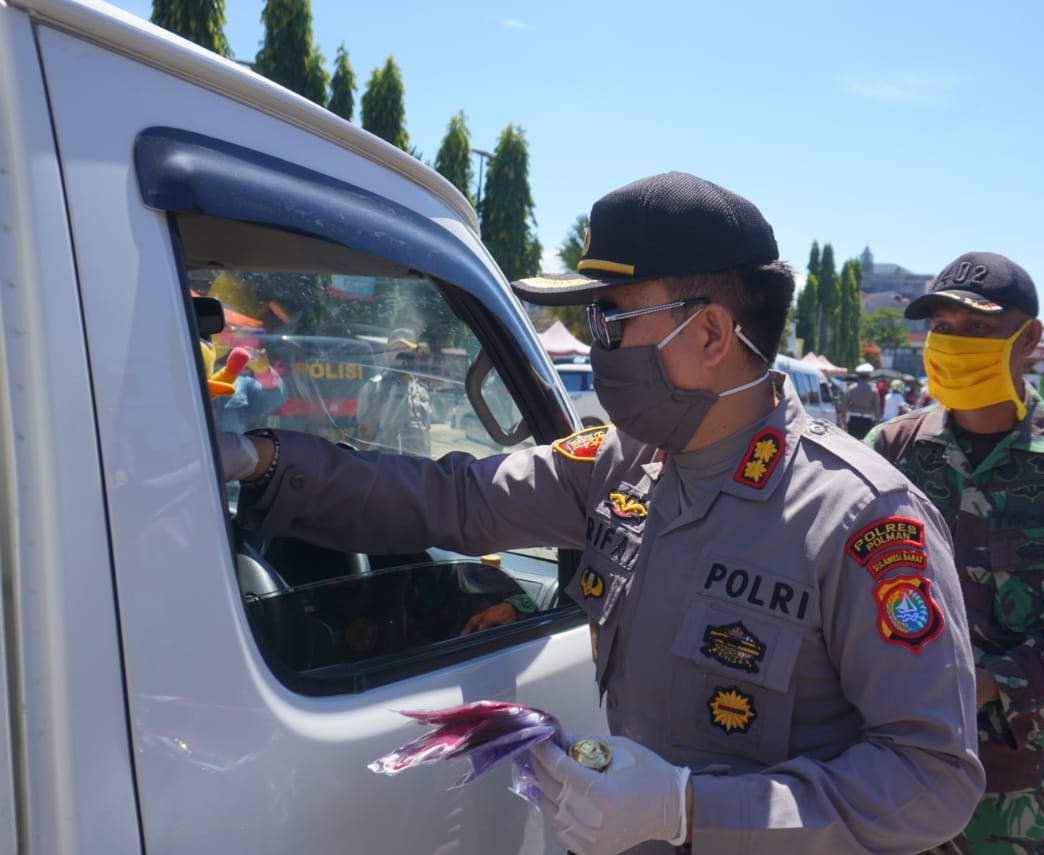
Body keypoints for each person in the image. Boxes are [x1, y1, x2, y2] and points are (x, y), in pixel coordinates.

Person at [220, 172, 984, 854]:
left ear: (712, 332)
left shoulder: (861, 517)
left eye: (611, 320)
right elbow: (450, 498)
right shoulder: (623, 462)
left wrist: (691, 809)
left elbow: (932, 778)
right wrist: (263, 463)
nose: (596, 344)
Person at [865, 251, 1044, 855]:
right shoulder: (888, 452)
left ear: (1030, 339)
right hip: (877, 759)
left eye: (978, 329)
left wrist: (993, 685)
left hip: (1011, 789)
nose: (954, 343)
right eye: (942, 328)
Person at [355, 328, 432, 458]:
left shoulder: (421, 392)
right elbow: (364, 440)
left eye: (406, 350)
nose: (401, 355)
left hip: (417, 471)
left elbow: (426, 439)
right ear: (386, 354)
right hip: (386, 470)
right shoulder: (374, 389)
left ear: (416, 354)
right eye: (396, 351)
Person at [842, 362, 881, 438]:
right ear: (869, 376)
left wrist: (843, 416)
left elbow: (845, 404)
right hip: (867, 421)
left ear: (858, 376)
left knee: (852, 441)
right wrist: (877, 420)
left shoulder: (851, 388)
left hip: (853, 419)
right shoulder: (873, 390)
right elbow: (877, 407)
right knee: (864, 443)